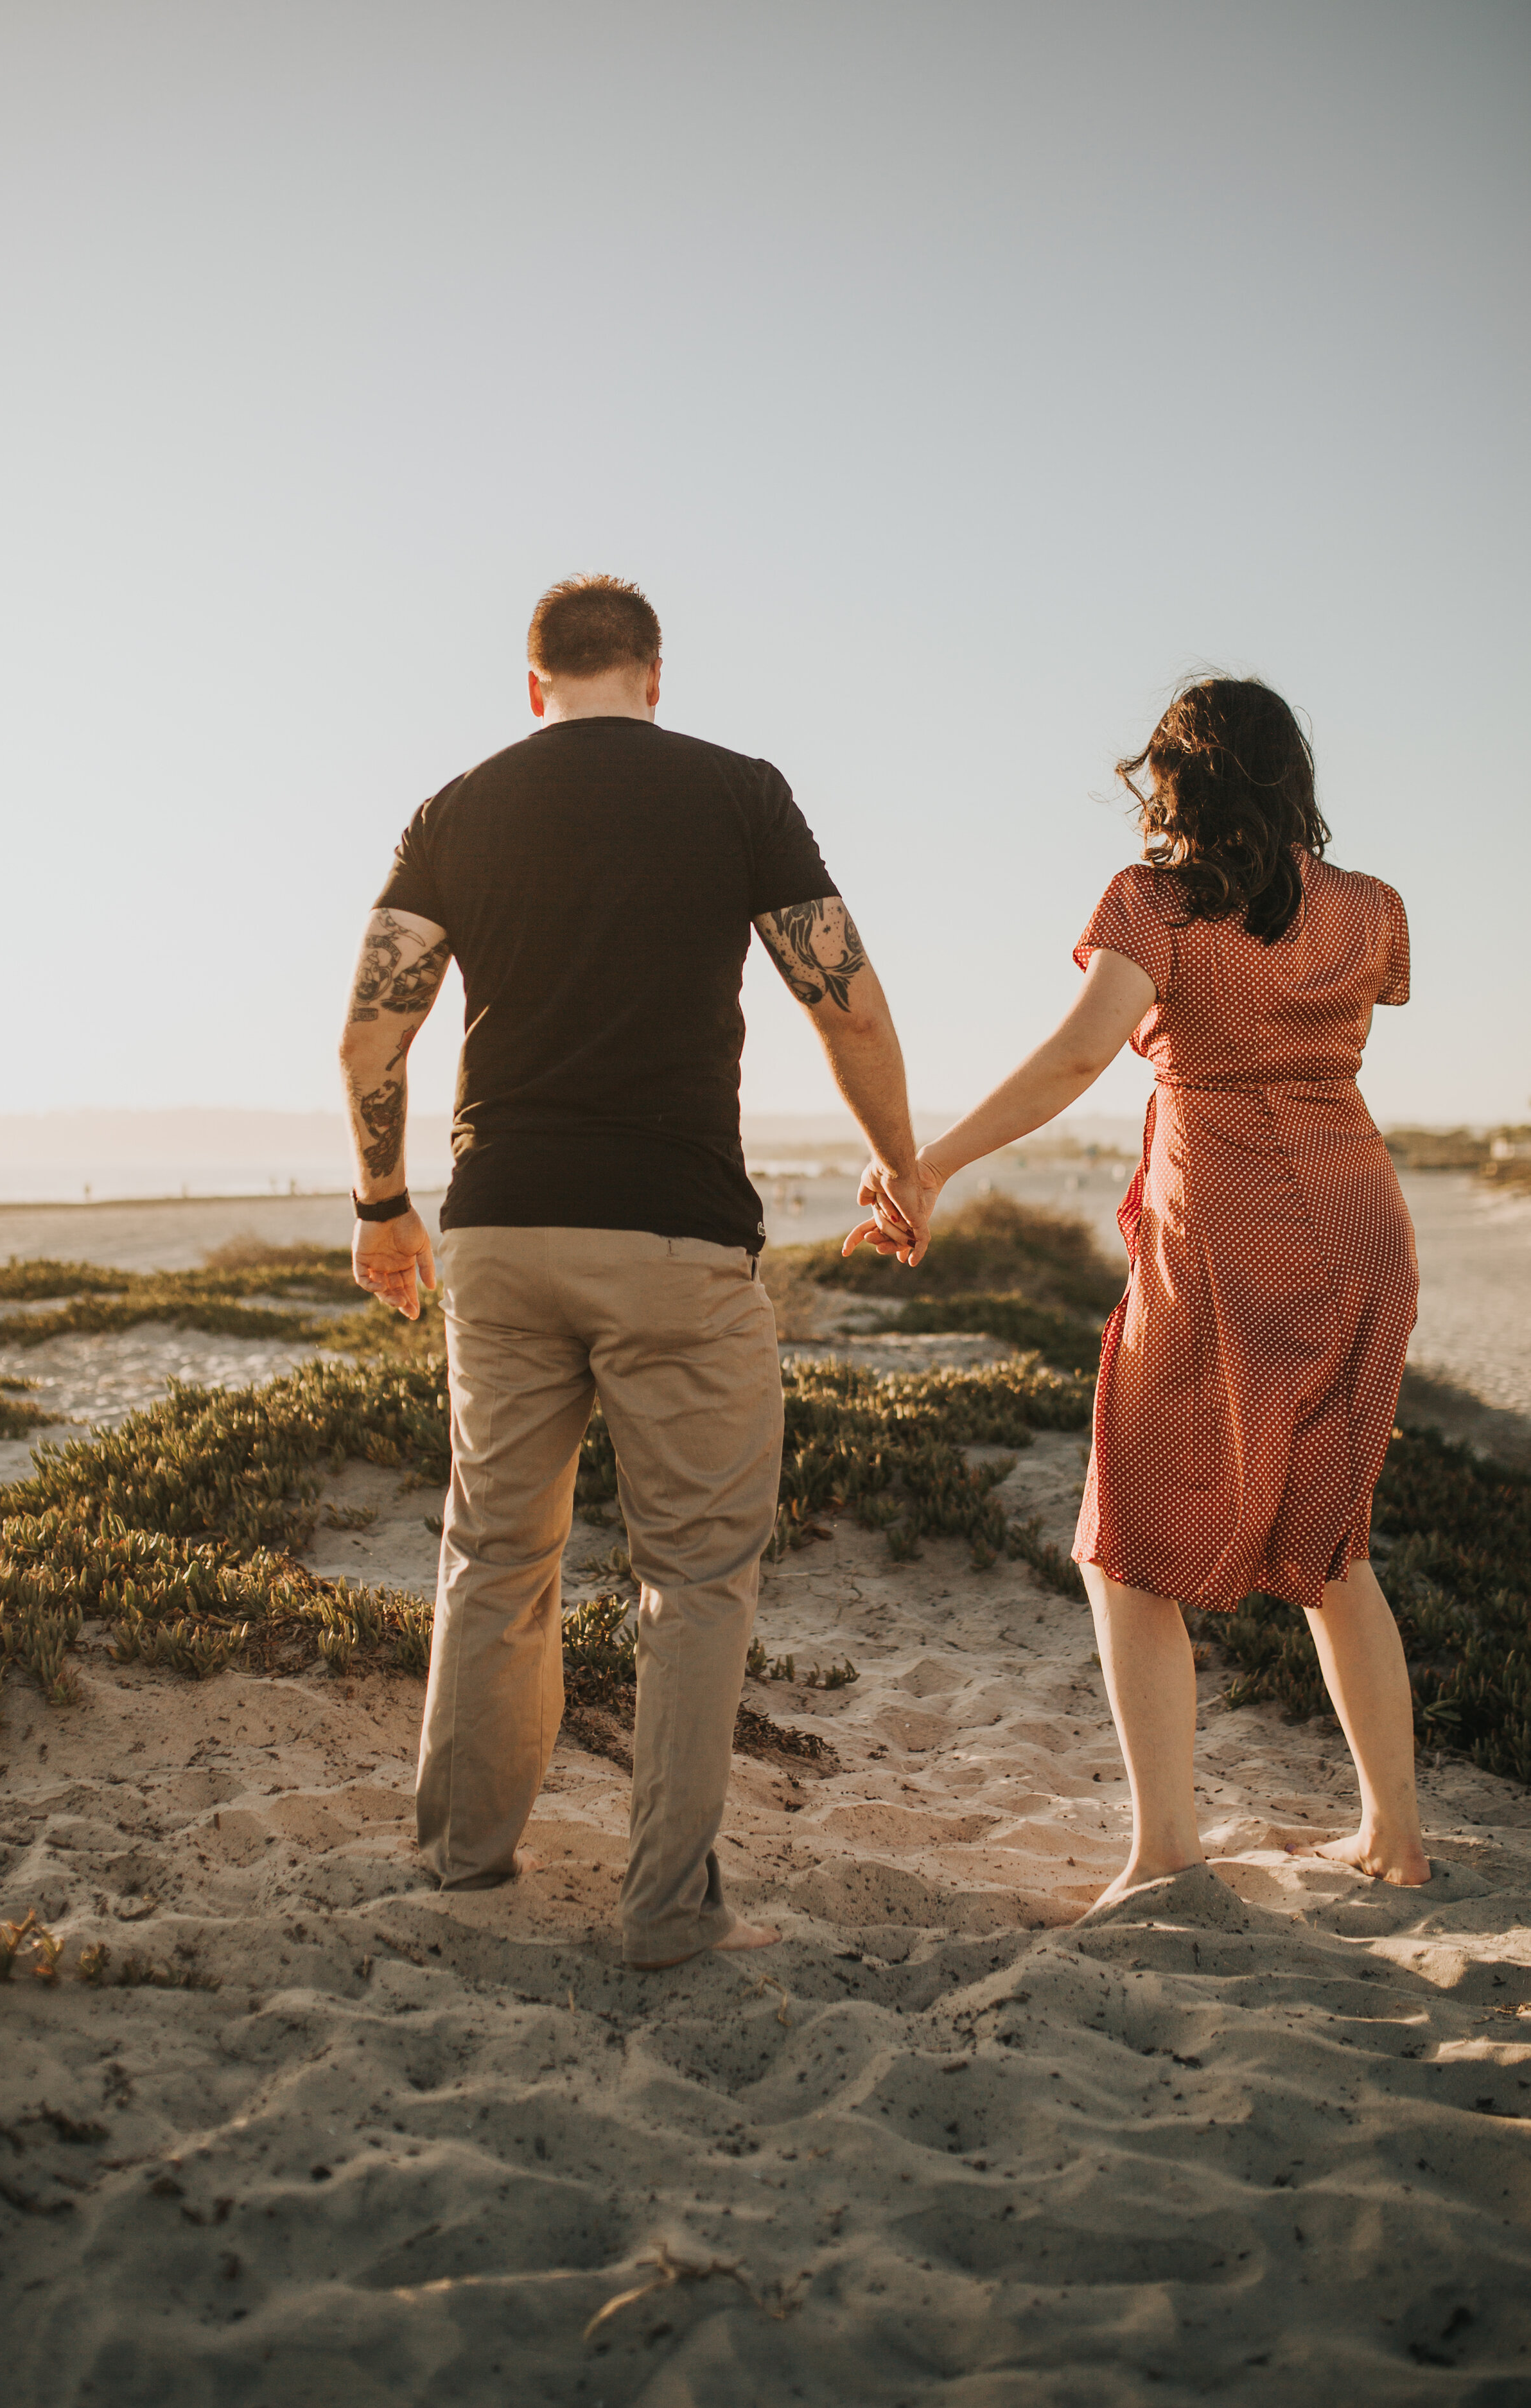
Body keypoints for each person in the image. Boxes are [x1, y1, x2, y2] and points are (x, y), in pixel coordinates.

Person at [338, 573, 929, 1968]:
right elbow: (840, 1001)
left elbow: (372, 1036)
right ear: (654, 678)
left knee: (492, 1553)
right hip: (674, 1231)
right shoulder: (737, 793)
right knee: (697, 1577)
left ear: (531, 686)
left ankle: (462, 1863)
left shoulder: (456, 805)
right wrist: (898, 1164)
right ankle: (666, 1910)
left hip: (500, 1227)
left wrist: (381, 1203)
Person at [850, 676, 1430, 1903]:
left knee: (1124, 1549)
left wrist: (931, 1163)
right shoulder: (1374, 908)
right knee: (1334, 1548)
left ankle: (1169, 1849)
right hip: (1362, 1229)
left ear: (1178, 783)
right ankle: (1396, 1838)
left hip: (1222, 1235)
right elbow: (1338, 1001)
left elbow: (1076, 1052)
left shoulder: (1154, 906)